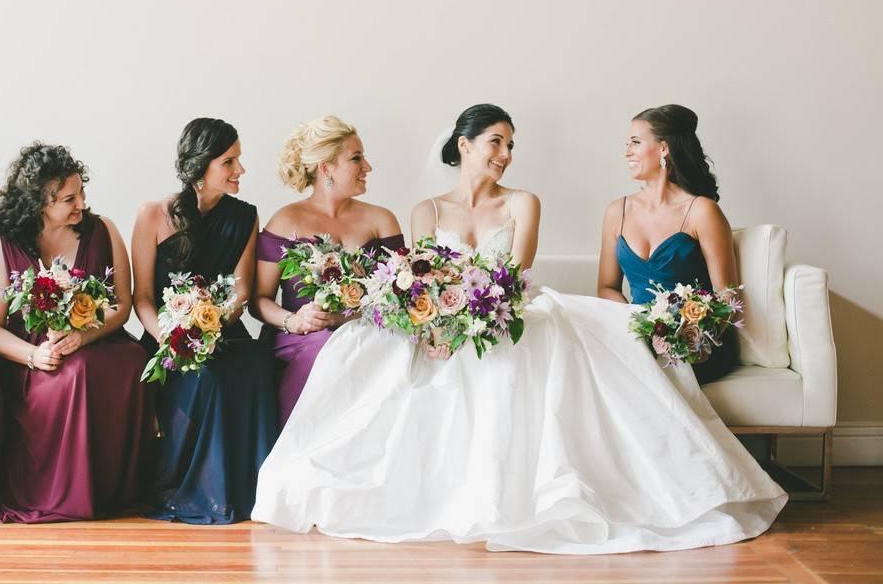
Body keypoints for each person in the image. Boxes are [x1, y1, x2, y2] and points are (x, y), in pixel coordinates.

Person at [252, 104, 786, 553]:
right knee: (377, 356)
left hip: (505, 310)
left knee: (519, 356)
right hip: (442, 319)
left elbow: (514, 272)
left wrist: (470, 312)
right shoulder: (424, 210)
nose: (505, 155)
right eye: (495, 142)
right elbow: (416, 280)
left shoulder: (523, 202)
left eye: (510, 145)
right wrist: (436, 323)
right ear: (463, 145)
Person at [0, 142, 152, 522]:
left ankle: (114, 489)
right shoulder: (1, 247)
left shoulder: (103, 230)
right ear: (40, 203)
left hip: (97, 339)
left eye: (82, 193)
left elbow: (121, 306)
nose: (82, 205)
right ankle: (62, 493)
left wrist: (84, 336)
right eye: (69, 199)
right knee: (73, 374)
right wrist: (33, 355)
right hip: (29, 356)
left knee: (134, 361)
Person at [130, 117, 278, 523]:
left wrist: (211, 326)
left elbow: (241, 291)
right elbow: (141, 297)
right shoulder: (152, 215)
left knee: (257, 364)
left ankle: (252, 492)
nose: (240, 171)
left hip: (223, 331)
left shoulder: (245, 216)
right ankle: (193, 488)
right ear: (201, 165)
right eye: (229, 162)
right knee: (205, 378)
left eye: (238, 161)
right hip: (165, 337)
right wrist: (169, 335)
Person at [251, 116, 403, 427]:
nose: (368, 167)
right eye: (356, 158)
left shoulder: (382, 220)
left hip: (370, 331)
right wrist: (293, 321)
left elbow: (402, 294)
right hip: (303, 337)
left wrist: (346, 318)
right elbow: (259, 300)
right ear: (326, 168)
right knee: (325, 351)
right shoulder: (284, 221)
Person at [598, 104, 740, 383]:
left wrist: (689, 334)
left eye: (636, 142)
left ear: (663, 149)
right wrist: (639, 326)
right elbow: (606, 287)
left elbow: (728, 295)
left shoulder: (702, 211)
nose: (627, 151)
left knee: (642, 376)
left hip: (699, 344)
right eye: (627, 144)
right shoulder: (617, 211)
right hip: (639, 338)